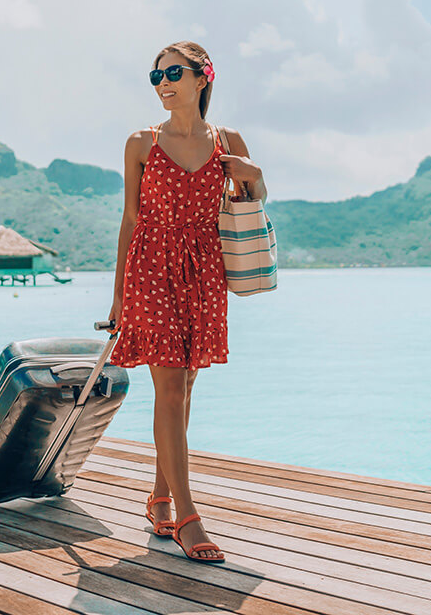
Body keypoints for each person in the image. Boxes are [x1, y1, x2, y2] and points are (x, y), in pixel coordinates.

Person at [106, 40, 266, 563]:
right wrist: (117, 297)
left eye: (173, 73)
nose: (163, 83)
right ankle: (188, 518)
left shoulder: (228, 142)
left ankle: (158, 498)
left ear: (203, 78)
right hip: (151, 269)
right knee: (170, 387)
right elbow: (130, 221)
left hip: (204, 272)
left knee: (185, 388)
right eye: (155, 77)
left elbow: (254, 197)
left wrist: (254, 174)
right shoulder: (139, 144)